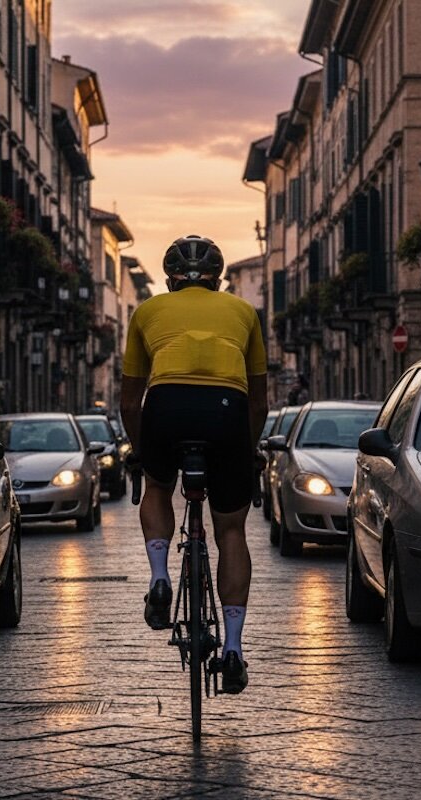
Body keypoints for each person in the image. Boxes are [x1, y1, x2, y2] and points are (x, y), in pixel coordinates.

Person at [120, 234, 268, 694]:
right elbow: (260, 402)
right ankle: (234, 648)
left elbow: (129, 400)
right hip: (228, 410)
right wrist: (248, 447)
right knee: (231, 531)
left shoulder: (146, 311)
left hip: (164, 406)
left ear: (168, 280)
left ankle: (161, 576)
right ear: (219, 279)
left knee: (158, 488)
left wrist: (142, 448)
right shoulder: (244, 312)